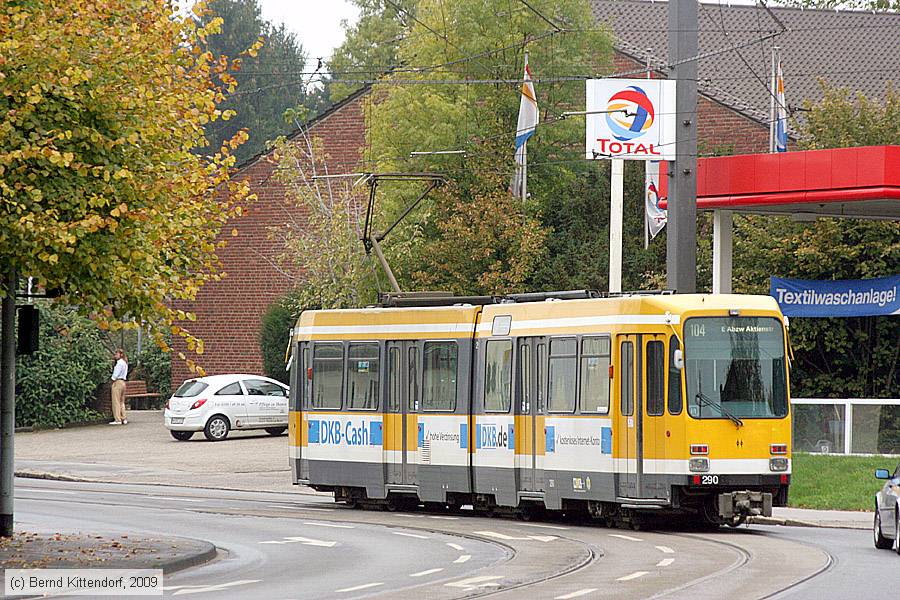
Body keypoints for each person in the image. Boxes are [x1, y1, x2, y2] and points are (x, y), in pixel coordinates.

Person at [110, 349, 128, 425]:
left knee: (116, 401)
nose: (115, 355)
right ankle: (124, 418)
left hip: (118, 382)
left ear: (120, 354)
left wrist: (112, 380)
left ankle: (117, 419)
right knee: (121, 401)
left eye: (116, 354)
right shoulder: (125, 363)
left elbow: (115, 375)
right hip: (123, 382)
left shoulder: (119, 363)